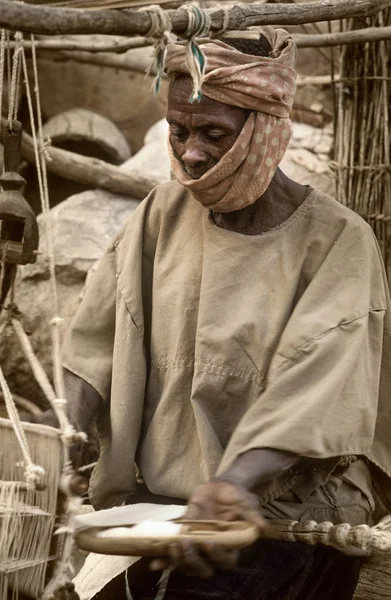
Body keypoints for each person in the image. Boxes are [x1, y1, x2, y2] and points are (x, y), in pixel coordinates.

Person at [44, 27, 391, 599]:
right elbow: (94, 343)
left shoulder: (337, 242)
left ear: (268, 129)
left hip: (280, 515)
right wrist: (55, 436)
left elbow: (317, 390)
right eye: (179, 131)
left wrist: (231, 484)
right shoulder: (161, 213)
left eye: (214, 133)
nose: (192, 152)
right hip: (166, 514)